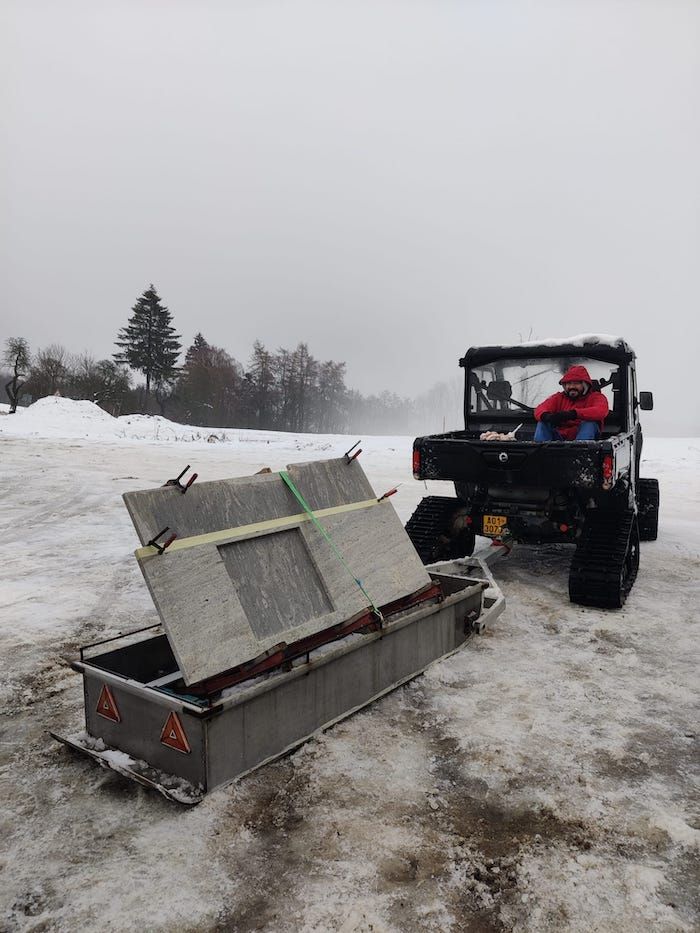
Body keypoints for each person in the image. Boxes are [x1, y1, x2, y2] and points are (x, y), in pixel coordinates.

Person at [534, 365, 609, 441]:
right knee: (542, 422)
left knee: (589, 423)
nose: (571, 387)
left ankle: (581, 448)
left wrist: (574, 414)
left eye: (576, 383)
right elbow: (540, 409)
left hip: (586, 438)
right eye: (568, 384)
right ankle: (541, 447)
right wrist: (547, 416)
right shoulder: (558, 397)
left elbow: (601, 411)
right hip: (559, 438)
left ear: (585, 385)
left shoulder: (596, 397)